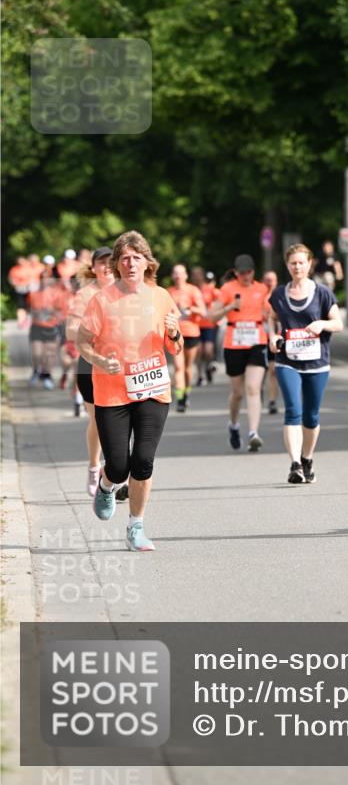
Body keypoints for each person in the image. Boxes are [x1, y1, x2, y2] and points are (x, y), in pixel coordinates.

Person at [77, 230, 183, 551]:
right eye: (124, 258)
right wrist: (98, 360)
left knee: (143, 462)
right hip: (111, 392)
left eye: (137, 257)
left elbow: (175, 349)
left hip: (152, 389)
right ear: (117, 264)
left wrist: (175, 334)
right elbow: (81, 342)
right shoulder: (101, 300)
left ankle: (136, 526)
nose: (131, 263)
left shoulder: (161, 296)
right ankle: (108, 485)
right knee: (119, 465)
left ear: (147, 263)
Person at [268, 243, 343, 484]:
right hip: (287, 360)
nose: (297, 266)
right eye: (293, 263)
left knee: (311, 416)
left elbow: (338, 324)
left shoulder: (322, 293)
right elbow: (271, 318)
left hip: (317, 362)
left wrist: (322, 324)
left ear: (309, 264)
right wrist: (273, 335)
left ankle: (307, 457)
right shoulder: (279, 294)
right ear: (287, 265)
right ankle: (295, 464)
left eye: (301, 262)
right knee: (293, 411)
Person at [66, 247, 121, 495]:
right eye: (101, 263)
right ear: (94, 268)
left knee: (121, 419)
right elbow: (70, 330)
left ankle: (114, 470)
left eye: (111, 262)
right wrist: (96, 334)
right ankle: (93, 465)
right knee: (98, 421)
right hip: (90, 363)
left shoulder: (126, 292)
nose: (107, 267)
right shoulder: (84, 295)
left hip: (120, 363)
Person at [212, 254, 270, 452]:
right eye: (242, 272)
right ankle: (234, 425)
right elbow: (211, 317)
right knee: (237, 393)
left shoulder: (262, 289)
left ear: (254, 271)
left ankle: (253, 433)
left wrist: (270, 317)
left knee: (253, 388)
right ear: (236, 273)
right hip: (234, 343)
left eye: (249, 271)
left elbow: (270, 312)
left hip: (256, 340)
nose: (246, 275)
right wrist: (229, 307)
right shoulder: (227, 289)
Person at [167, 264, 207, 412]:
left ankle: (187, 392)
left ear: (185, 275)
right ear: (172, 276)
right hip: (175, 334)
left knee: (188, 368)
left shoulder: (193, 290)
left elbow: (203, 311)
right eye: (175, 274)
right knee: (178, 366)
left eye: (180, 274)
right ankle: (180, 399)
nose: (178, 277)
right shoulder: (169, 292)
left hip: (191, 332)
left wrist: (190, 310)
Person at [26, 260, 69, 388]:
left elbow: (62, 311)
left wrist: (57, 319)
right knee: (37, 353)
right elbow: (29, 308)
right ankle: (35, 371)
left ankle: (47, 375)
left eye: (47, 278)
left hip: (52, 327)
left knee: (49, 354)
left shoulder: (58, 294)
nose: (45, 280)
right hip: (37, 327)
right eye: (42, 278)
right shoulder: (33, 294)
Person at [191, 266, 219, 386]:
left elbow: (220, 300)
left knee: (207, 351)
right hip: (195, 324)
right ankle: (200, 375)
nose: (196, 277)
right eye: (194, 275)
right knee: (199, 351)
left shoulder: (209, 289)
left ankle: (208, 367)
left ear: (202, 276)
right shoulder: (191, 290)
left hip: (208, 324)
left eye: (198, 275)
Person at [262, 269, 280, 414]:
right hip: (260, 337)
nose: (269, 282)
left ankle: (272, 401)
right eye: (267, 280)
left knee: (273, 371)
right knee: (262, 371)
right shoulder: (259, 295)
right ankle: (258, 391)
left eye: (272, 280)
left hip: (276, 337)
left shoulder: (280, 295)